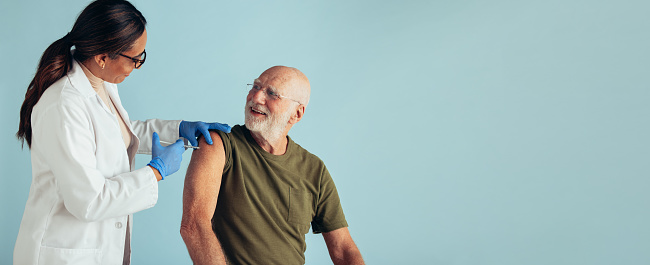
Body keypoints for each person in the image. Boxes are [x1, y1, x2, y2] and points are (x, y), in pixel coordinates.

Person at [13, 1, 230, 264]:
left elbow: (117, 133)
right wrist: (155, 172)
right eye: (134, 59)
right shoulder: (64, 105)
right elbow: (88, 201)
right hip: (64, 251)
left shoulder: (99, 82)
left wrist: (178, 130)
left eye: (142, 56)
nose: (137, 66)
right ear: (102, 57)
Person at [180, 66, 365, 265]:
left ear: (297, 114)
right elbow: (194, 226)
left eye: (272, 93)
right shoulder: (219, 145)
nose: (256, 97)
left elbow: (344, 250)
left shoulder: (314, 170)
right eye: (256, 86)